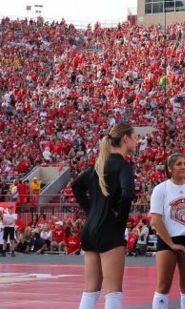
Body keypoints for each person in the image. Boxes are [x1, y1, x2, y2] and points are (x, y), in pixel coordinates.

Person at [71, 123, 138, 309]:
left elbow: (76, 186)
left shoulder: (99, 165)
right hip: (109, 229)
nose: (137, 141)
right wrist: (120, 220)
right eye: (135, 137)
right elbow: (128, 194)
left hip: (90, 229)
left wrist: (91, 210)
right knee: (113, 291)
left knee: (90, 290)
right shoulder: (123, 166)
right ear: (125, 139)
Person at [150, 153, 185, 309]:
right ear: (170, 168)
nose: (183, 167)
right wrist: (171, 244)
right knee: (163, 286)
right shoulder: (160, 189)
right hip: (167, 240)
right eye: (179, 164)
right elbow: (156, 219)